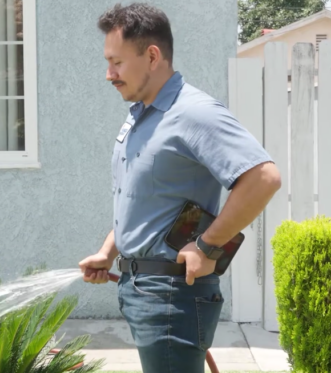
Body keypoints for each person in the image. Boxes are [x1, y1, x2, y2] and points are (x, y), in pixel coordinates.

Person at [78, 3, 281, 373]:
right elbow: (141, 196)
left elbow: (263, 178)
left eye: (117, 62)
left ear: (152, 56)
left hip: (171, 296)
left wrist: (207, 245)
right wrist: (109, 251)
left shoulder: (193, 113)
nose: (109, 74)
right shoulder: (142, 115)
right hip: (141, 289)